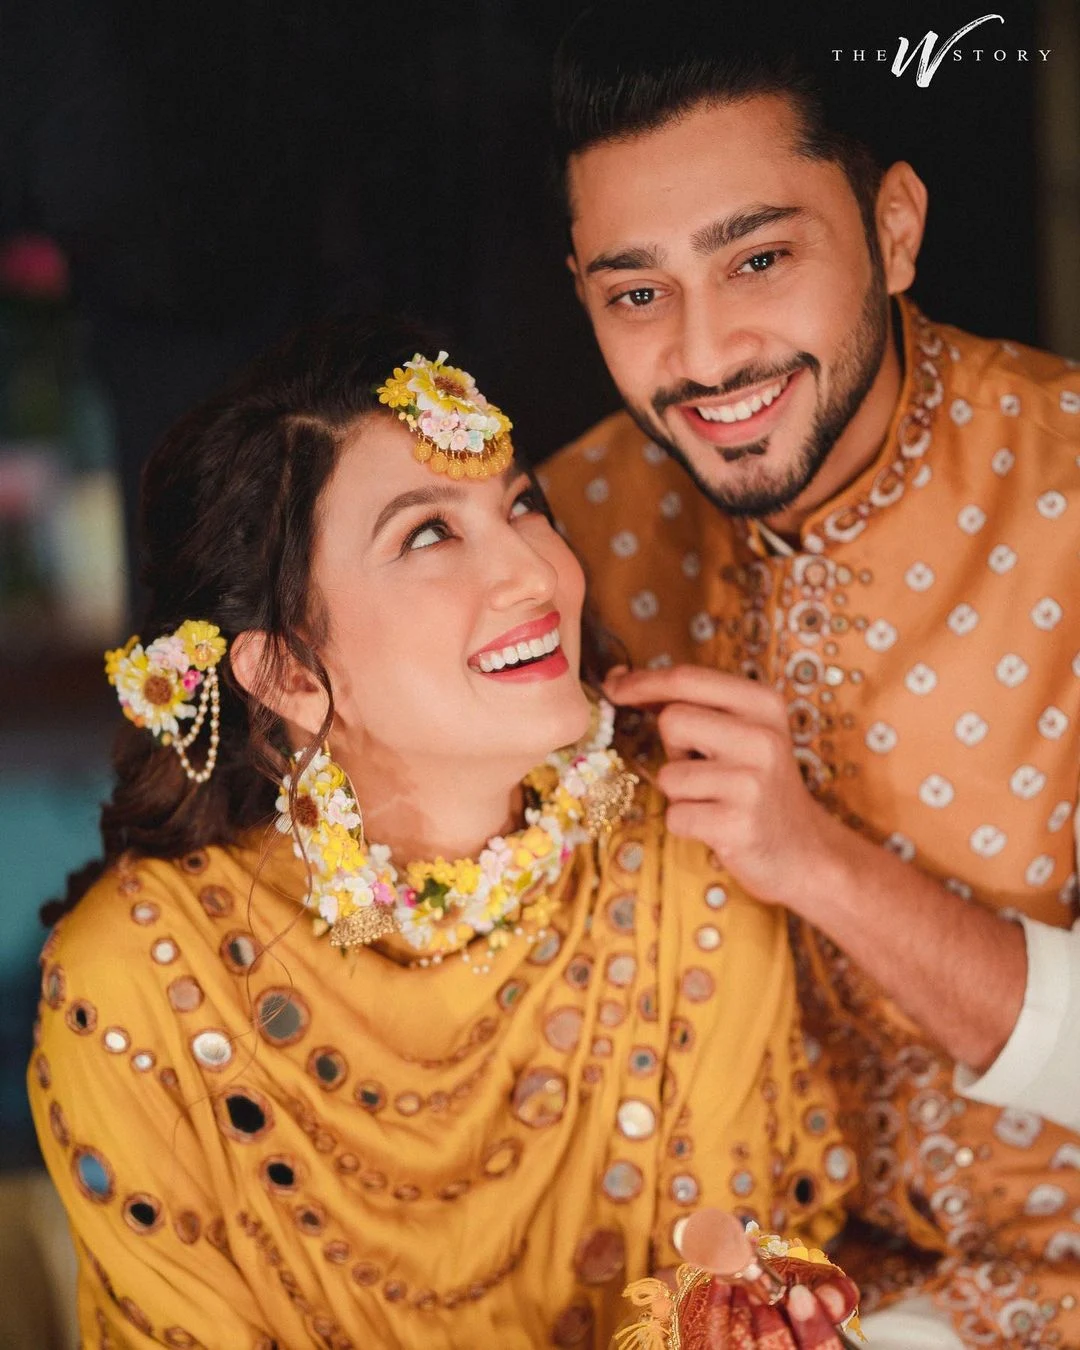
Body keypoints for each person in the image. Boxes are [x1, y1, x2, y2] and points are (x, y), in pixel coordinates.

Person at [28, 316, 858, 1349]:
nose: (536, 572)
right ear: (288, 674)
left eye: (522, 506)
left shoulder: (680, 853)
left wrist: (758, 1322)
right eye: (428, 534)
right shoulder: (144, 979)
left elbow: (739, 1262)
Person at [540, 4, 1080, 1347]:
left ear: (894, 228)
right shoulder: (563, 539)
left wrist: (817, 862)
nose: (705, 354)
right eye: (637, 293)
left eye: (760, 258)